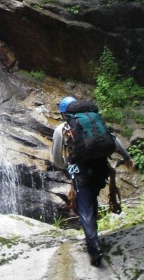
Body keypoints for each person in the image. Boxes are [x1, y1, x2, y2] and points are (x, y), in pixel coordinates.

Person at [51, 96, 134, 267]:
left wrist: (68, 165)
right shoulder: (94, 123)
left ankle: (94, 248)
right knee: (92, 198)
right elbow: (114, 140)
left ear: (63, 113)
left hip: (81, 171)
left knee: (85, 208)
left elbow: (57, 161)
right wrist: (126, 157)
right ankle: (94, 236)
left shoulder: (63, 128)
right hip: (101, 168)